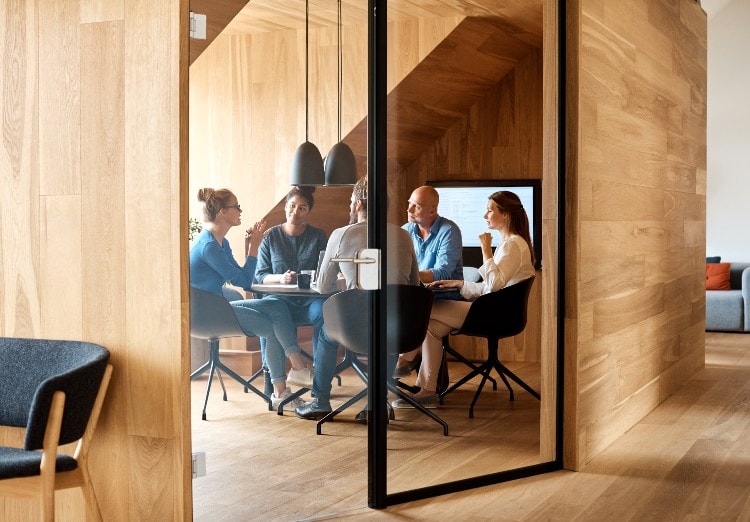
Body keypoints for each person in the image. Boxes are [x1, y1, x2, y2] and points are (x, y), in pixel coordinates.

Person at [392, 190, 536, 409]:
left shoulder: (512, 245)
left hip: (497, 314)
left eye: (490, 210)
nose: (485, 215)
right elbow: (489, 286)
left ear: (505, 215)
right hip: (493, 308)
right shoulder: (511, 244)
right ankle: (427, 390)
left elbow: (495, 285)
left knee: (423, 310)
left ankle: (404, 360)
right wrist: (460, 284)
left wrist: (486, 250)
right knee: (431, 326)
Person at [295, 177, 421, 421]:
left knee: (326, 332)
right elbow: (413, 286)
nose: (349, 206)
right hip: (401, 327)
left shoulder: (341, 234)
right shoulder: (404, 236)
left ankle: (320, 402)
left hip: (355, 328)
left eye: (351, 202)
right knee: (389, 329)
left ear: (360, 204)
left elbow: (322, 287)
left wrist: (348, 280)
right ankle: (377, 403)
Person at [189, 187, 312, 411]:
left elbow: (244, 275)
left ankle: (297, 370)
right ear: (222, 212)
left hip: (218, 304)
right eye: (236, 206)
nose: (240, 210)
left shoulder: (220, 243)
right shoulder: (209, 247)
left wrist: (250, 249)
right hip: (207, 313)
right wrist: (254, 246)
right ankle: (282, 390)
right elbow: (245, 281)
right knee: (271, 327)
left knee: (276, 305)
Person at [254, 186, 329, 392]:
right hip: (280, 300)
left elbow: (326, 271)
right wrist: (282, 278)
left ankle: (319, 376)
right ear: (285, 207)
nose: (296, 212)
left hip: (310, 300)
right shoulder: (270, 237)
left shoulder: (318, 236)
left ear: (308, 212)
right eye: (292, 206)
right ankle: (273, 377)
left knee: (324, 313)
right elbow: (260, 275)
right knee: (272, 313)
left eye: (302, 208)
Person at [393, 185, 464, 378]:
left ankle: (406, 356)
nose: (408, 210)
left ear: (432, 210)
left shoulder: (449, 231)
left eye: (415, 206)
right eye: (409, 204)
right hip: (417, 297)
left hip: (445, 297)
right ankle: (424, 384)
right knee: (404, 311)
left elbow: (443, 273)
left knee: (415, 313)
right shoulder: (405, 230)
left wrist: (410, 274)